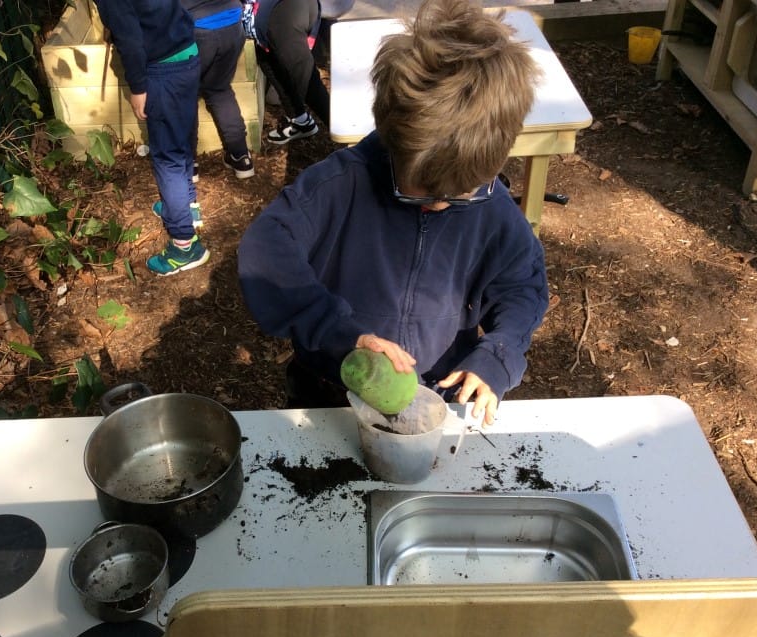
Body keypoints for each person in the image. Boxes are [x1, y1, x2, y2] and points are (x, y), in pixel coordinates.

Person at [237, 0, 548, 427]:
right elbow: (265, 251)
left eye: (459, 196)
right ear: (392, 136)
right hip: (331, 388)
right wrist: (338, 332)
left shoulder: (492, 211)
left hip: (438, 392)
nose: (439, 204)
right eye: (417, 191)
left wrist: (498, 354)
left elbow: (521, 289)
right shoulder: (340, 185)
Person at [95, 0, 208, 276]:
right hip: (187, 55)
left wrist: (138, 87)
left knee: (167, 157)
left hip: (163, 71)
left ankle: (184, 245)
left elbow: (130, 40)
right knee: (182, 140)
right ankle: (187, 208)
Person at [183, 0, 256, 179]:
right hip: (232, 23)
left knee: (185, 95)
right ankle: (241, 156)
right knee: (220, 89)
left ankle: (188, 163)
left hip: (196, 27)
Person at [242, 0, 330, 144]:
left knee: (309, 84)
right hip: (284, 13)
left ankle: (356, 141)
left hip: (284, 16)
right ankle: (301, 121)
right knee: (267, 59)